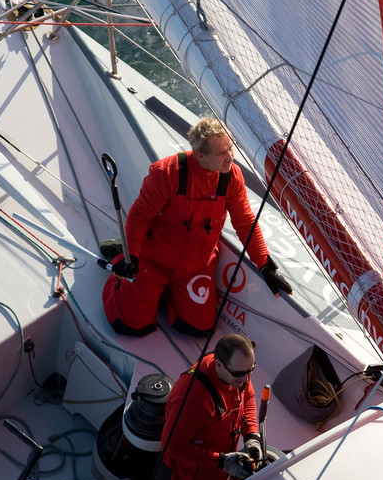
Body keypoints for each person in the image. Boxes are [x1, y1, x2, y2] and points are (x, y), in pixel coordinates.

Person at [102, 118, 292, 337]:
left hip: (196, 264)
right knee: (128, 324)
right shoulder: (165, 173)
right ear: (200, 155)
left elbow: (245, 220)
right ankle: (120, 258)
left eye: (230, 148)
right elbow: (138, 218)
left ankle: (162, 290)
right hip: (154, 259)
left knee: (198, 328)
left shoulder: (231, 176)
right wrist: (131, 257)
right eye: (222, 153)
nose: (230, 157)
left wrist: (265, 265)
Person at [156, 332, 265, 480]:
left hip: (216, 470)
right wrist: (222, 461)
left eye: (251, 370)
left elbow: (248, 396)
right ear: (219, 365)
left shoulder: (237, 373)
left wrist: (251, 435)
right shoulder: (193, 398)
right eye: (240, 374)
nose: (247, 378)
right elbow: (171, 446)